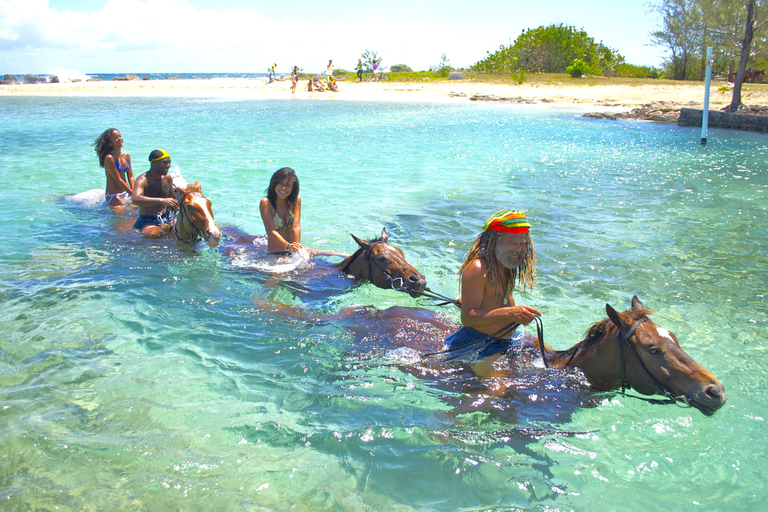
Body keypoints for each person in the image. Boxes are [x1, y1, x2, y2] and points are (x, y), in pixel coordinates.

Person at [444, 210, 541, 377]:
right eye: (512, 242)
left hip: (507, 339)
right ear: (494, 241)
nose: (518, 249)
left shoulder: (506, 263)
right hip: (479, 342)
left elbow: (496, 300)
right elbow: (467, 318)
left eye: (523, 243)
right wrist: (510, 313)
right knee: (498, 392)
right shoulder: (478, 268)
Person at [131, 149, 179, 235]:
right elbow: (135, 199)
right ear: (153, 162)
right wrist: (161, 200)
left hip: (168, 216)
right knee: (155, 235)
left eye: (169, 162)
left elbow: (172, 197)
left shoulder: (167, 178)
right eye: (164, 162)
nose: (168, 165)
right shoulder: (143, 179)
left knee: (181, 231)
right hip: (147, 220)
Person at [260, 167, 302, 254]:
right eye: (280, 183)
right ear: (274, 183)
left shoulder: (295, 200)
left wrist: (297, 247)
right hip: (276, 252)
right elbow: (271, 231)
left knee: (331, 254)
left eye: (288, 185)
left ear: (293, 188)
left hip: (292, 248)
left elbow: (296, 226)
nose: (283, 188)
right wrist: (288, 246)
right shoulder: (266, 203)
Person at [94, 128, 134, 207]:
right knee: (120, 216)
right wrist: (131, 193)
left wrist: (134, 191)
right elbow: (118, 179)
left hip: (126, 192)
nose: (120, 139)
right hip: (114, 195)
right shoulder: (109, 158)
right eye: (116, 137)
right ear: (110, 142)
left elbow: (130, 176)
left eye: (120, 136)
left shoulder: (126, 155)